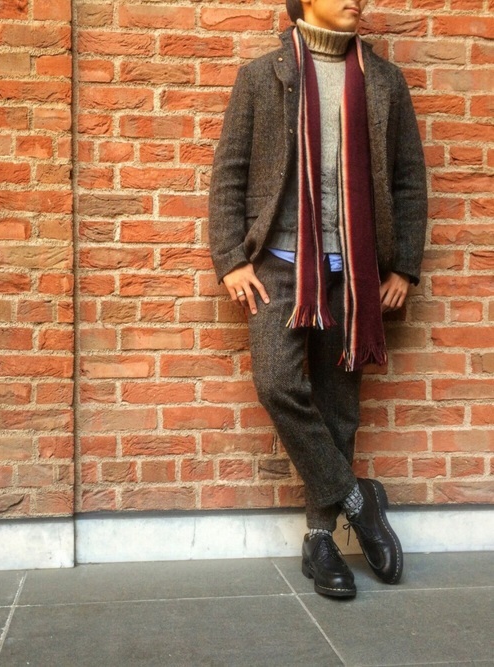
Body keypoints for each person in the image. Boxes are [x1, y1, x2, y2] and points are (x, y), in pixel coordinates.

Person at [209, 0, 427, 598]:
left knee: (338, 405)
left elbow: (409, 178)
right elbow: (230, 171)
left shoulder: (384, 81)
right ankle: (358, 500)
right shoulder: (263, 76)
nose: (357, 0)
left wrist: (405, 266)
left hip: (353, 270)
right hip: (278, 267)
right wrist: (231, 258)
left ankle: (320, 540)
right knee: (278, 384)